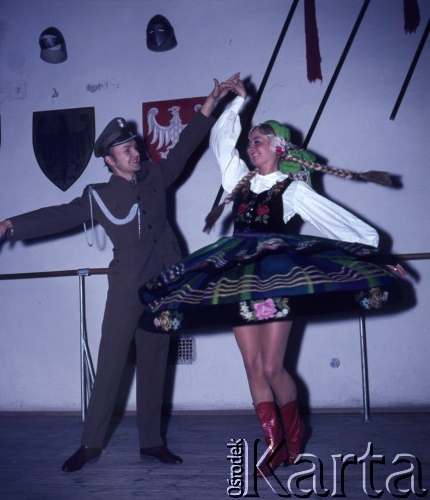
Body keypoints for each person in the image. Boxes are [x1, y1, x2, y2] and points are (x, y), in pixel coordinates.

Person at [139, 76, 406, 477]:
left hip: (280, 279)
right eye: (251, 142)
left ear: (278, 148)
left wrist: (377, 256)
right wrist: (237, 105)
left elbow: (341, 223)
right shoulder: (239, 181)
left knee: (272, 367)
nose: (251, 146)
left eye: (258, 141)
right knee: (251, 366)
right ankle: (274, 444)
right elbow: (220, 144)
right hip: (236, 279)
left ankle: (295, 437)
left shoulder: (292, 190)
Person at [0, 74, 240, 472]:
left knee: (154, 362)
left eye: (133, 144)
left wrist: (210, 101)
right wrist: (10, 224)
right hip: (126, 291)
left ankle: (152, 443)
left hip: (165, 285)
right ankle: (90, 444)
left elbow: (186, 146)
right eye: (124, 149)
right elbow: (58, 216)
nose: (134, 151)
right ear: (109, 161)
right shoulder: (98, 196)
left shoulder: (155, 176)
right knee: (111, 364)